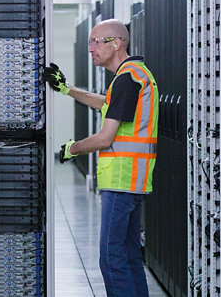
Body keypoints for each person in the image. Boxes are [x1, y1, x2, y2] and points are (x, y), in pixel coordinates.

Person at [44, 18, 158, 297]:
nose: (90, 49)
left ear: (117, 43)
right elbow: (105, 103)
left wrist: (72, 148)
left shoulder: (127, 78)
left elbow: (105, 138)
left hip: (121, 180)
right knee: (129, 256)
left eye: (96, 42)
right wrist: (66, 88)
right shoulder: (135, 74)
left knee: (111, 259)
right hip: (133, 180)